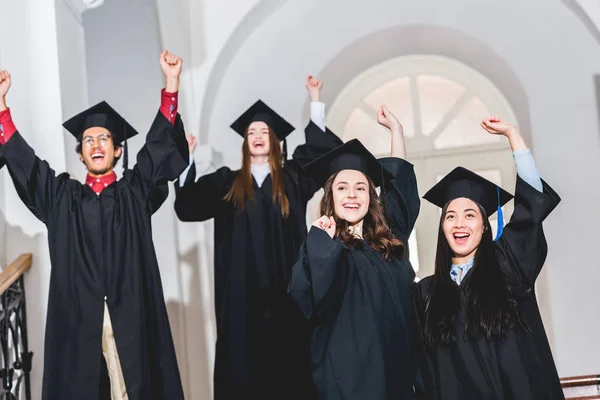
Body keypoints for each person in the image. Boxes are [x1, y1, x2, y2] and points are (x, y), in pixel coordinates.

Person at [0, 50, 188, 400]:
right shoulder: (62, 198)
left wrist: (171, 85)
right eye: (88, 140)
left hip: (129, 315)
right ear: (81, 153)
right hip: (78, 319)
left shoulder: (134, 192)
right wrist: (2, 109)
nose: (96, 144)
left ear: (117, 150)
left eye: (104, 139)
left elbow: (157, 149)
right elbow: (29, 168)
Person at [174, 76, 342, 399]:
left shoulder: (292, 179)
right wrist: (187, 162)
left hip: (289, 302)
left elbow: (323, 159)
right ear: (244, 142)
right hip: (241, 306)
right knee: (244, 376)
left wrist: (316, 101)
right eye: (252, 132)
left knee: (292, 376)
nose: (258, 136)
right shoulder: (227, 183)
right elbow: (187, 204)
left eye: (264, 132)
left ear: (276, 140)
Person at [414, 116, 562, 399]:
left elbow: (531, 211)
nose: (459, 224)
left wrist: (513, 137)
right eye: (450, 216)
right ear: (442, 227)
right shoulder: (426, 294)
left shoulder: (508, 268)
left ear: (484, 226)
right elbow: (427, 372)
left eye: (470, 216)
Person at [289, 106, 420, 400]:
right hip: (351, 381)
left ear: (371, 197)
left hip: (398, 373)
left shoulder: (390, 242)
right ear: (330, 197)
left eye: (361, 188)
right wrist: (322, 243)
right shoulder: (323, 244)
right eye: (342, 188)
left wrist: (396, 132)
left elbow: (399, 188)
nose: (351, 195)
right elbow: (308, 299)